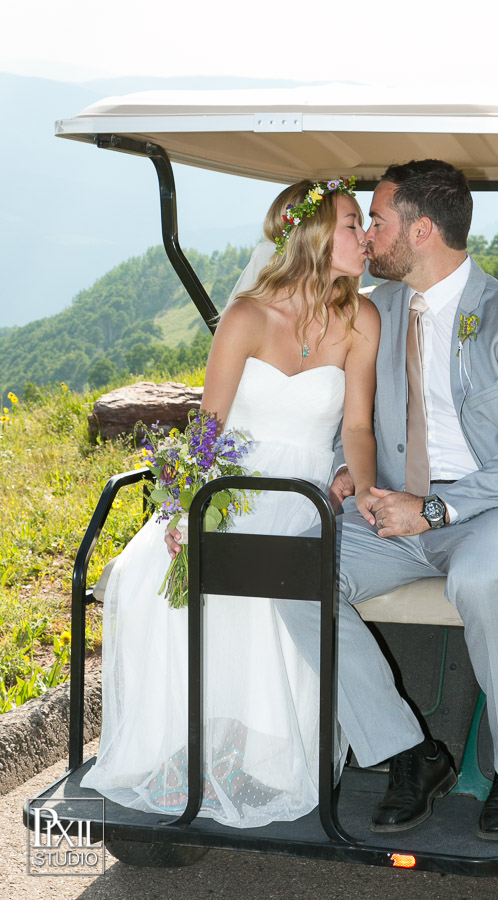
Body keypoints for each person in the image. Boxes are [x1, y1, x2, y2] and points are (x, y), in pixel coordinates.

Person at [276, 159, 498, 840]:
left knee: (481, 574)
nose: (367, 234)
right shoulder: (371, 310)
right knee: (296, 575)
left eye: (377, 221)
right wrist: (343, 472)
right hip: (394, 507)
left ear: (423, 231)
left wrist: (437, 510)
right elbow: (342, 416)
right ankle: (408, 752)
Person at [81, 176, 386, 828]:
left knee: (267, 584)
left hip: (301, 493)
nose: (367, 237)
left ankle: (262, 753)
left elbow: (357, 428)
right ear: (315, 238)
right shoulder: (248, 317)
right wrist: (188, 509)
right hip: (227, 485)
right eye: (353, 225)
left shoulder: (363, 318)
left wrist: (357, 485)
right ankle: (183, 747)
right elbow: (208, 427)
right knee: (146, 583)